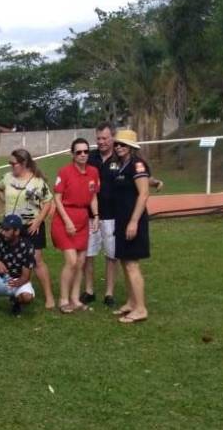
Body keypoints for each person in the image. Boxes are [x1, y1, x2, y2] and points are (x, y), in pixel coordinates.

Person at [0, 149, 54, 309]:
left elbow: (48, 201)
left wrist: (38, 221)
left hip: (31, 227)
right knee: (11, 260)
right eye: (9, 163)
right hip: (11, 227)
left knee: (37, 261)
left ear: (24, 163)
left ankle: (49, 297)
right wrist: (6, 202)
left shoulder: (37, 182)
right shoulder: (7, 178)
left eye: (13, 163)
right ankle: (15, 292)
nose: (10, 166)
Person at [52, 138, 100, 313]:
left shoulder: (93, 172)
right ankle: (63, 299)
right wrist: (67, 221)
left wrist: (96, 215)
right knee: (71, 261)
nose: (83, 155)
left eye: (86, 151)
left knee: (80, 262)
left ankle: (75, 298)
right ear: (72, 154)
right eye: (79, 152)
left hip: (82, 218)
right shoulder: (64, 172)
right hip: (65, 218)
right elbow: (57, 198)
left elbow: (93, 196)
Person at [110, 129, 151, 324]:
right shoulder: (122, 165)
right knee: (125, 262)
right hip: (121, 220)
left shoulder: (137, 164)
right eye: (117, 144)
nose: (118, 147)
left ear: (131, 147)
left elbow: (143, 193)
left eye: (123, 144)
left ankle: (141, 308)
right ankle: (132, 302)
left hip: (133, 220)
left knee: (132, 264)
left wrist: (134, 221)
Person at [82, 122, 120, 307]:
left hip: (113, 215)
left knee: (111, 255)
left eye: (105, 138)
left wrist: (153, 182)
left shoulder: (120, 156)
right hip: (90, 215)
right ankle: (89, 290)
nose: (101, 142)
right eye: (98, 138)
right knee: (88, 254)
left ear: (113, 137)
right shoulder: (89, 157)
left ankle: (109, 293)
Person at [0, 214, 36, 323]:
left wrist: (14, 284)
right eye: (2, 228)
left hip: (18, 281)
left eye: (7, 229)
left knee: (27, 297)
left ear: (17, 231)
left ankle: (16, 301)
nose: (3, 232)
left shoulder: (27, 246)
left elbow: (26, 277)